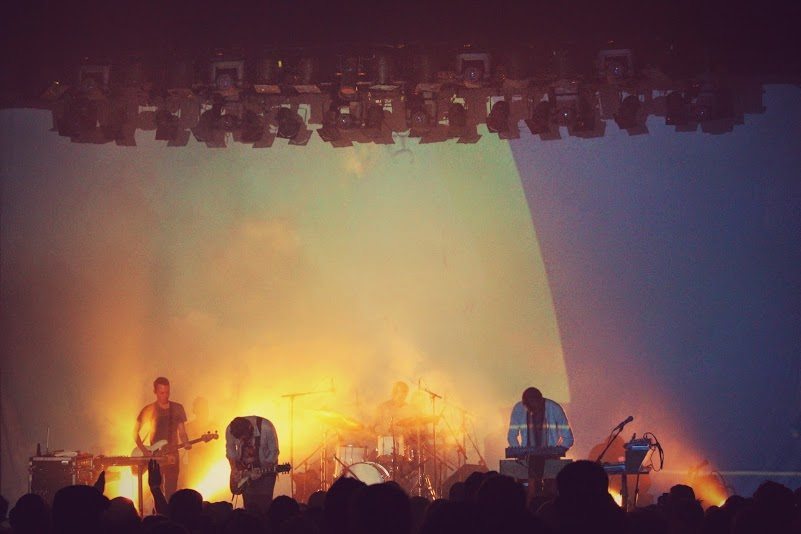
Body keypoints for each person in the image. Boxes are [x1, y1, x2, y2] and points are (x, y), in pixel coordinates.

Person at [507, 386, 573, 497]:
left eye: (535, 408)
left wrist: (556, 451)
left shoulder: (555, 409)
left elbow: (568, 438)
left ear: (541, 401)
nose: (532, 412)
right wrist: (520, 453)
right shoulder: (518, 409)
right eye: (529, 409)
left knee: (549, 491)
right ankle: (532, 492)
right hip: (527, 459)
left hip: (550, 458)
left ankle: (534, 493)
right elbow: (512, 436)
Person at [134, 377, 190, 499]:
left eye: (167, 392)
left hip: (172, 456)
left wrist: (186, 442)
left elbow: (182, 432)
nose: (165, 396)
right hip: (155, 457)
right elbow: (135, 432)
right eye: (162, 393)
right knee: (157, 492)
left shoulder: (177, 408)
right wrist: (144, 450)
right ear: (155, 392)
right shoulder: (149, 409)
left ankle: (170, 510)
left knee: (171, 493)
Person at [226, 415, 280, 515]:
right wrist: (234, 470)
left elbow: (274, 453)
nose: (242, 441)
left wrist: (262, 470)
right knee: (249, 506)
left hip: (266, 469)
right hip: (245, 471)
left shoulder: (266, 427)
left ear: (250, 429)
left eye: (244, 438)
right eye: (239, 439)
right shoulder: (230, 429)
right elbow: (230, 452)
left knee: (264, 505)